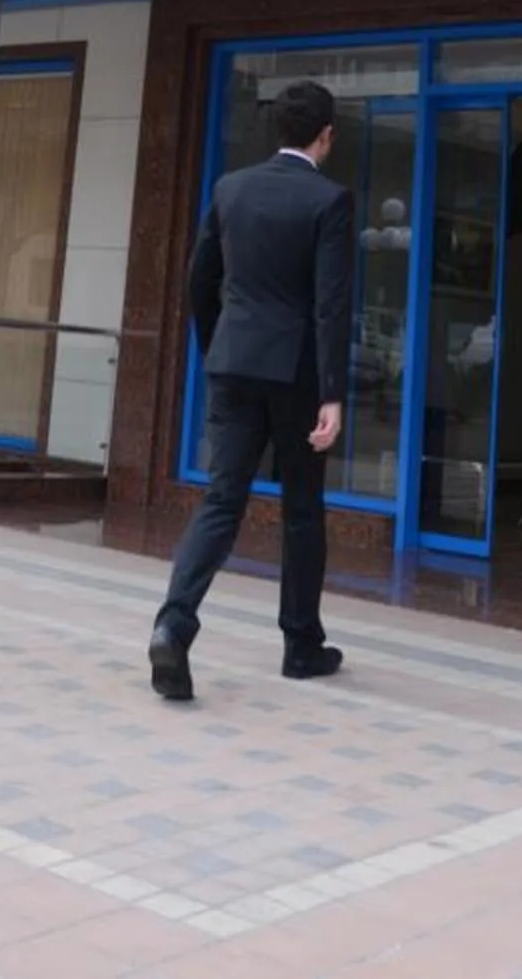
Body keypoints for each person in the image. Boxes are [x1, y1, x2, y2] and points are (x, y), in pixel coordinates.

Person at [147, 78, 354, 702]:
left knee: (220, 500)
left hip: (232, 362)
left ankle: (173, 625)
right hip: (294, 373)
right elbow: (331, 305)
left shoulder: (229, 188)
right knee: (301, 510)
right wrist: (332, 392)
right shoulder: (330, 200)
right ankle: (300, 645)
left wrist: (218, 345)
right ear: (326, 136)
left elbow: (199, 278)